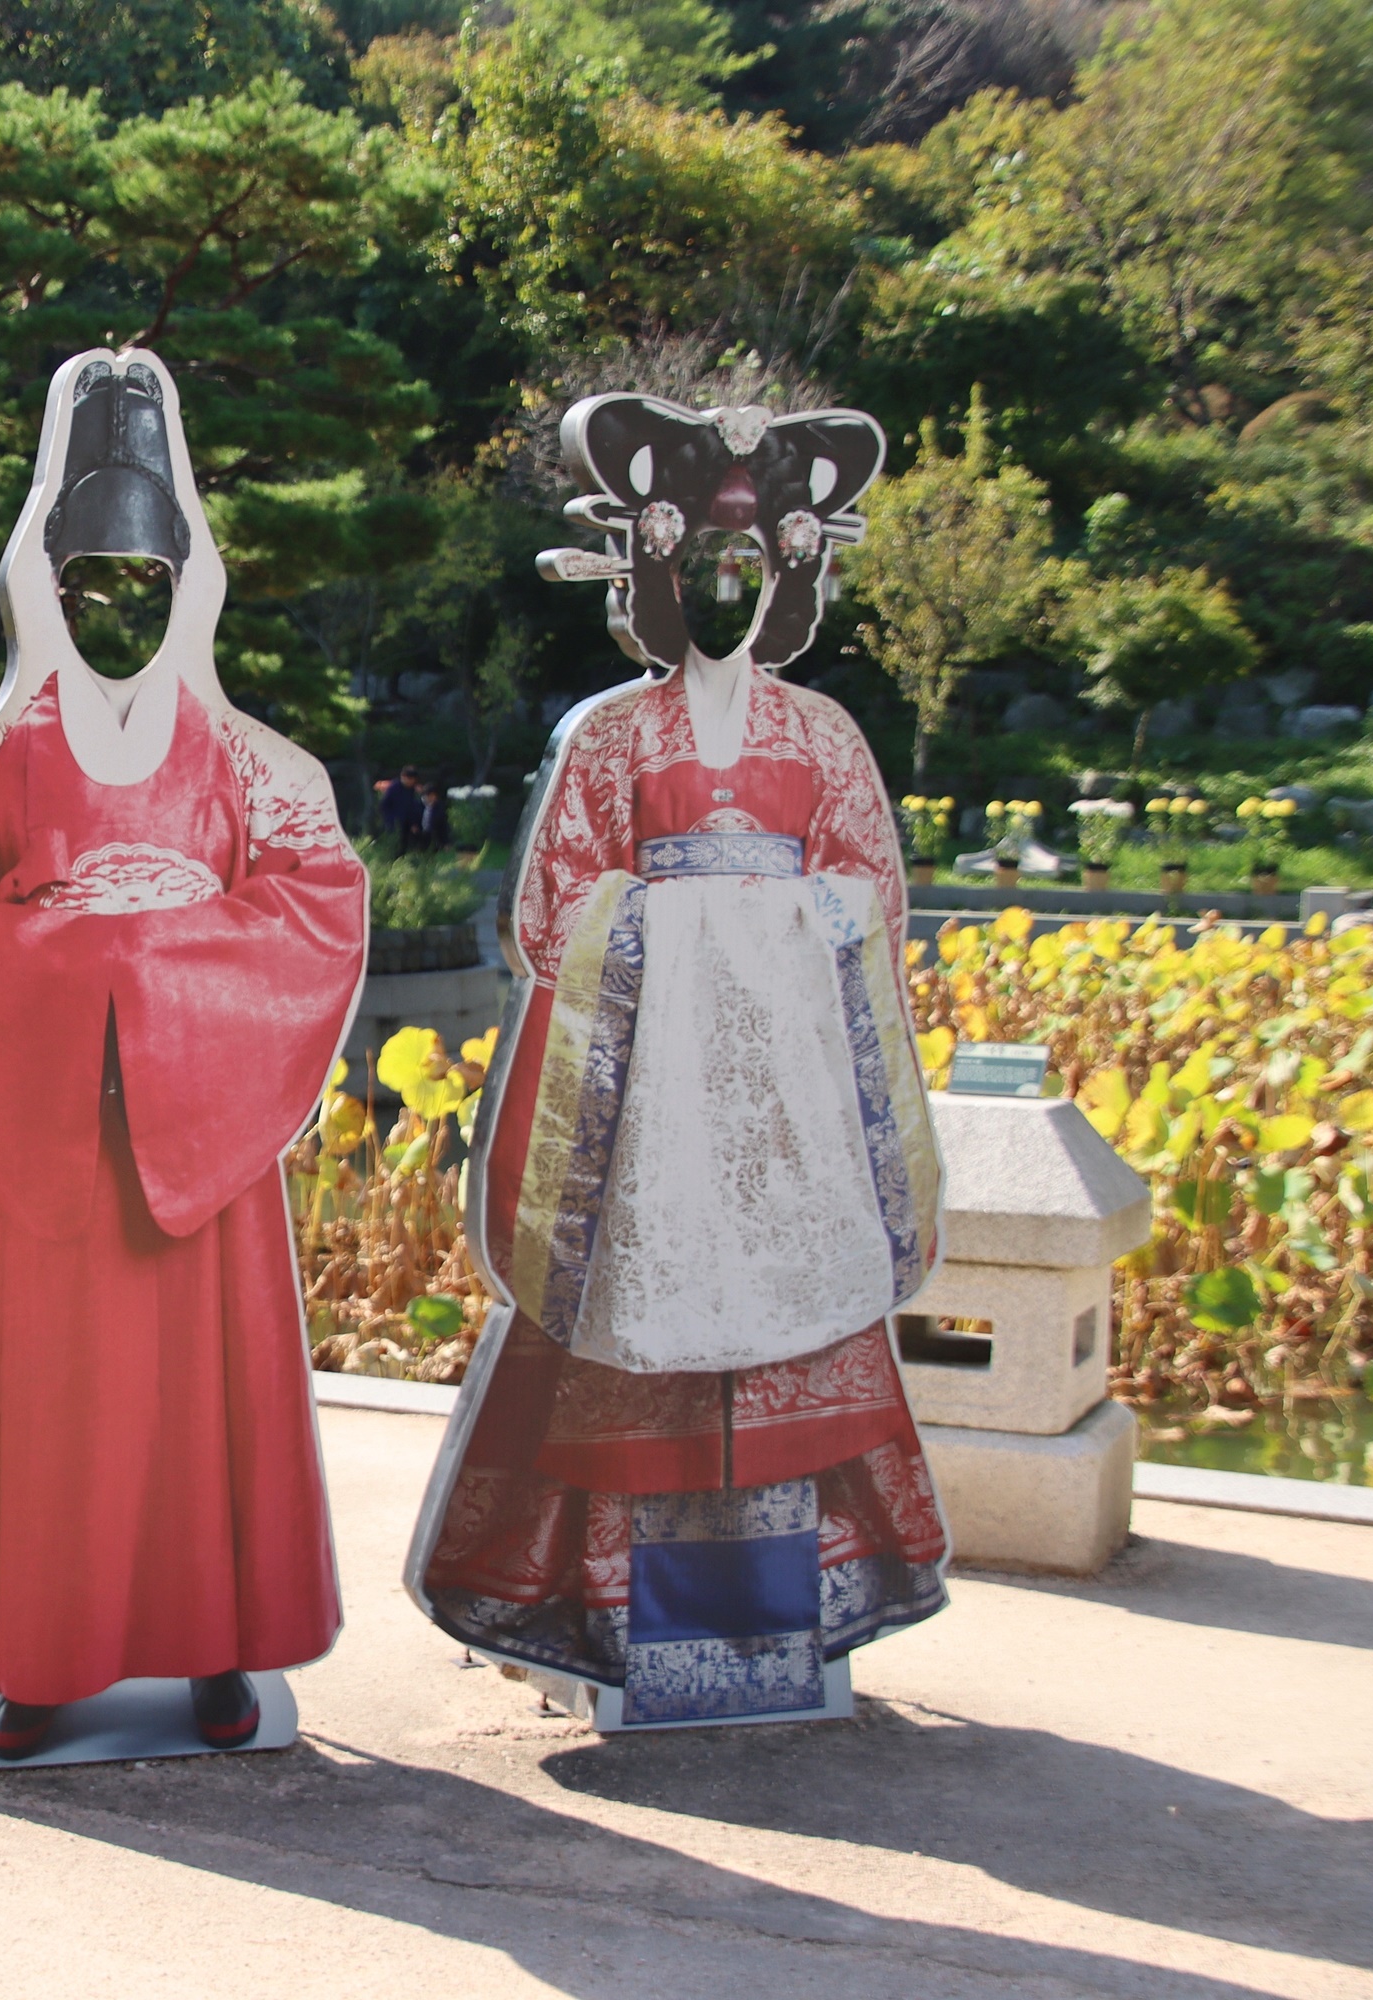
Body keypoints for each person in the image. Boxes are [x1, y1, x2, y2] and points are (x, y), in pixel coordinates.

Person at [0, 350, 367, 1762]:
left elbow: (320, 906)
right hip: (53, 1140)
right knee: (56, 1405)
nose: (118, 604)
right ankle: (38, 1656)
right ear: (41, 580)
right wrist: (99, 972)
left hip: (199, 1143)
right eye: (87, 579)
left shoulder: (259, 764)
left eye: (147, 577)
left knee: (205, 1405)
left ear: (193, 577)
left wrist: (133, 975)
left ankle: (216, 1645)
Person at [409, 392, 948, 1726]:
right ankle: (614, 1634)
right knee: (630, 1338)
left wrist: (771, 924)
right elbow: (554, 915)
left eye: (749, 563)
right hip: (651, 1113)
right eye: (699, 561)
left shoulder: (823, 734)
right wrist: (691, 924)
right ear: (646, 571)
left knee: (793, 1331)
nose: (723, 587)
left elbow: (873, 898)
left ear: (794, 573)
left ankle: (788, 1635)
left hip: (782, 1112)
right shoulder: (610, 734)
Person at [379, 764, 425, 848]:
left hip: (410, 822)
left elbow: (416, 807)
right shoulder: (393, 789)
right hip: (395, 821)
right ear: (403, 777)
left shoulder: (414, 790)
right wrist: (390, 821)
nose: (411, 782)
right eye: (409, 779)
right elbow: (384, 806)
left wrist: (414, 823)